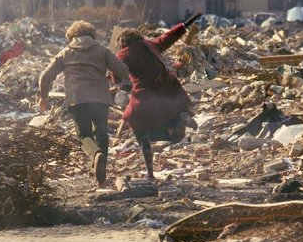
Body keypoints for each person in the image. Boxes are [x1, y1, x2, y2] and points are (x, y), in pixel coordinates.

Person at [38, 20, 129, 188]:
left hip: (77, 99)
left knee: (84, 136)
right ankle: (101, 179)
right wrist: (122, 81)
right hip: (100, 99)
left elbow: (46, 76)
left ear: (72, 36)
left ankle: (95, 155)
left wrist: (43, 97)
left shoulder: (66, 52)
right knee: (101, 134)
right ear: (91, 35)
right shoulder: (102, 50)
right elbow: (122, 69)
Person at [114, 12, 202, 180]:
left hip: (145, 96)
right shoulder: (149, 45)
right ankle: (179, 120)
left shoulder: (123, 54)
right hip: (170, 93)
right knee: (170, 126)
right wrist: (187, 23)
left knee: (135, 123)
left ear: (122, 43)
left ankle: (150, 173)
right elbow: (168, 37)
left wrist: (121, 84)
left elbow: (117, 75)